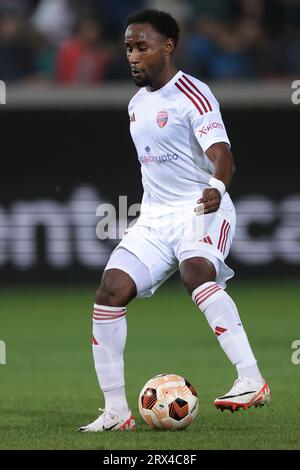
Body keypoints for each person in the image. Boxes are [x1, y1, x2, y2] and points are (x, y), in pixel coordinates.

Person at [79, 9, 270, 432]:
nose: (132, 56)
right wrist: (145, 217)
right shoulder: (136, 105)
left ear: (167, 46)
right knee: (109, 293)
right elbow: (155, 170)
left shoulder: (193, 94)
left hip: (202, 208)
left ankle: (251, 377)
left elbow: (224, 156)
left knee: (196, 271)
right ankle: (116, 412)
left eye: (142, 47)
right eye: (128, 47)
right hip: (155, 218)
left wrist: (216, 190)